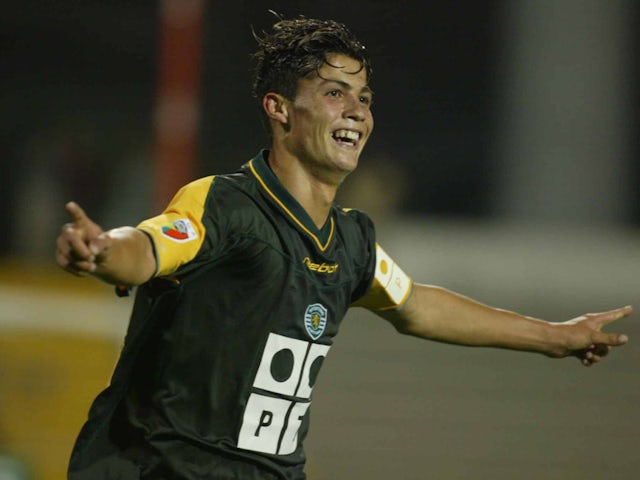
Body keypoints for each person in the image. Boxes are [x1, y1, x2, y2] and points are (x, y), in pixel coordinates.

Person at [55, 15, 632, 480]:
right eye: (335, 93)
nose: (358, 110)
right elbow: (152, 246)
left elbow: (417, 306)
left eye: (364, 96)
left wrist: (554, 336)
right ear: (279, 108)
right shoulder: (226, 205)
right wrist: (102, 251)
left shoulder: (351, 240)